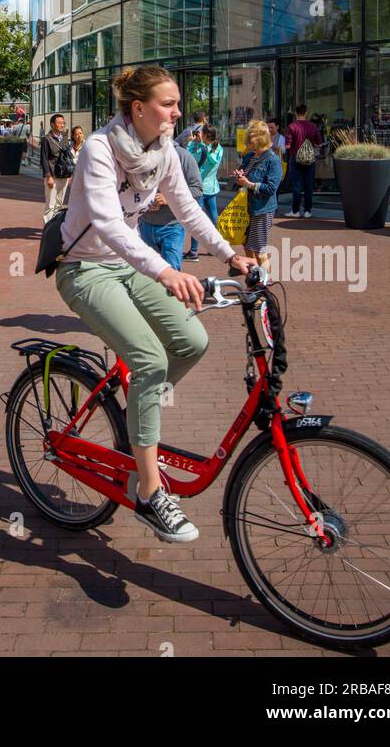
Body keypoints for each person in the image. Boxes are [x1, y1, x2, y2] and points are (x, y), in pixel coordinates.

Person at [57, 65, 250, 544]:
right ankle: (148, 491)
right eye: (168, 104)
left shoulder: (164, 151)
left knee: (191, 341)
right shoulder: (99, 148)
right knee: (149, 360)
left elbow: (188, 210)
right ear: (139, 108)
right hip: (84, 268)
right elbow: (109, 224)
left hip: (126, 266)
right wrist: (165, 271)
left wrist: (230, 255)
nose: (178, 112)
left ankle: (139, 417)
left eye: (177, 103)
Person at [139, 138, 204, 271]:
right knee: (147, 274)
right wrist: (145, 201)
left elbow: (197, 189)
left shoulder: (183, 156)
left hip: (172, 227)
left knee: (171, 273)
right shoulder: (141, 154)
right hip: (145, 225)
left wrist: (168, 198)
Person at [233, 120, 283, 269]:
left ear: (261, 140)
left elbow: (271, 188)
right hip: (247, 207)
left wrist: (249, 183)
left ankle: (266, 279)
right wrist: (239, 175)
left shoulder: (273, 160)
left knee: (260, 250)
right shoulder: (250, 156)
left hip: (262, 209)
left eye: (252, 143)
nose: (250, 146)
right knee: (247, 245)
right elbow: (243, 174)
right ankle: (254, 275)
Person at [186, 122, 224, 261]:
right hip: (205, 188)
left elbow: (212, 161)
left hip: (204, 189)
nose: (199, 135)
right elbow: (188, 158)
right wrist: (194, 143)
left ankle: (196, 251)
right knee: (208, 219)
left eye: (201, 133)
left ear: (207, 135)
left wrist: (199, 145)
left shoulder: (212, 148)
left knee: (202, 220)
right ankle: (207, 249)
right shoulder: (202, 146)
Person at [285, 103, 323, 218]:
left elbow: (287, 145)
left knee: (296, 186)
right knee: (308, 185)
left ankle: (295, 211)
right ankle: (307, 211)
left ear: (295, 113)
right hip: (309, 159)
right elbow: (319, 143)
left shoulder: (292, 126)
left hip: (295, 159)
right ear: (306, 112)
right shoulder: (313, 126)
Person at [40, 113, 72, 220]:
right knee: (50, 204)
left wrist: (70, 174)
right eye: (59, 123)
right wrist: (48, 176)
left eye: (63, 123)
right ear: (52, 124)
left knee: (59, 204)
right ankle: (48, 226)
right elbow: (44, 158)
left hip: (64, 175)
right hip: (52, 175)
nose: (62, 125)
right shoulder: (46, 139)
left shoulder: (65, 137)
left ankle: (55, 226)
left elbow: (67, 155)